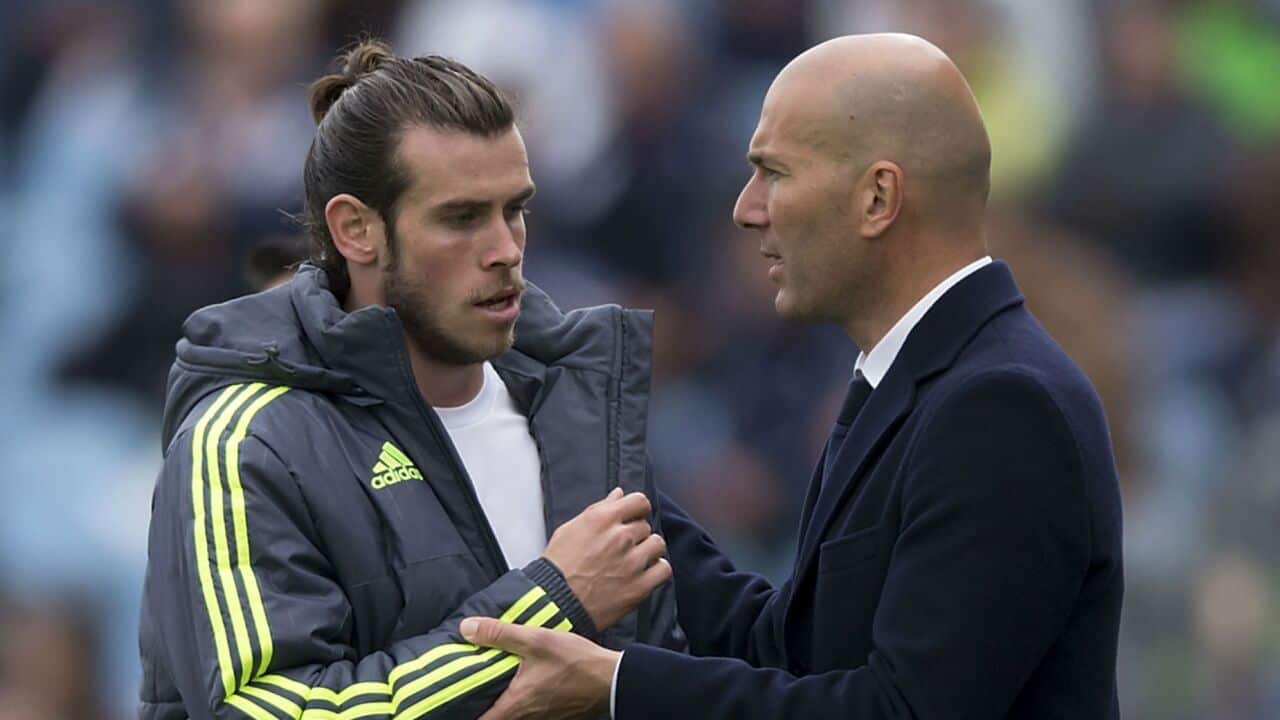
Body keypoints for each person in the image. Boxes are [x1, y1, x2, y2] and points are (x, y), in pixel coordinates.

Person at [459, 33, 1124, 719]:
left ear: (877, 198)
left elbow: (903, 711)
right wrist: (591, 474)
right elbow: (788, 653)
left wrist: (620, 684)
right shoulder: (917, 378)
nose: (746, 209)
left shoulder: (1001, 407)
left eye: (773, 173)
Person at [138, 40, 683, 720]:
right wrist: (552, 601)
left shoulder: (575, 400)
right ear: (356, 230)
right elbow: (260, 710)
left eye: (515, 209)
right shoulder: (244, 443)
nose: (505, 250)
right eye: (461, 218)